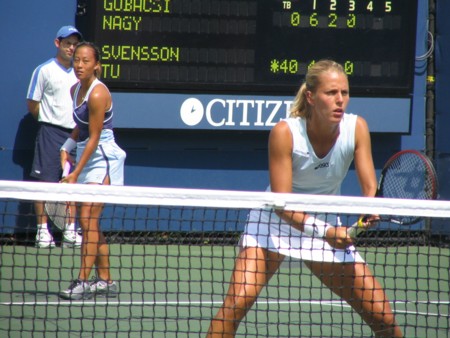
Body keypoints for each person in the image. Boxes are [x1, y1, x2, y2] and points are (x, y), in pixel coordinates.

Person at [207, 60, 403, 337]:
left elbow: (370, 186)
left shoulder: (356, 127)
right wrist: (327, 232)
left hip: (323, 226)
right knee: (235, 305)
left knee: (382, 316)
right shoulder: (285, 133)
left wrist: (369, 208)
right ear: (311, 97)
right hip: (272, 226)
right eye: (331, 93)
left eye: (344, 93)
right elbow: (282, 205)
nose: (340, 101)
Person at [58, 42, 126, 300]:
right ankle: (106, 280)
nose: (79, 65)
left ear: (96, 65)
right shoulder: (75, 89)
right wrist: (67, 146)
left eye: (86, 61)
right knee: (91, 223)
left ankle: (83, 281)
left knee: (87, 219)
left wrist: (75, 172)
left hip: (104, 157)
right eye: (77, 60)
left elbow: (96, 136)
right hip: (88, 153)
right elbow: (81, 128)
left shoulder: (98, 94)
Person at [26, 25, 83, 248]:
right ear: (57, 43)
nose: (71, 47)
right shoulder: (44, 70)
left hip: (75, 134)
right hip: (50, 133)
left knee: (72, 182)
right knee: (44, 183)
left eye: (75, 43)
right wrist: (49, 120)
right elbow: (33, 103)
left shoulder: (81, 73)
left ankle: (70, 229)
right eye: (67, 43)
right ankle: (42, 231)